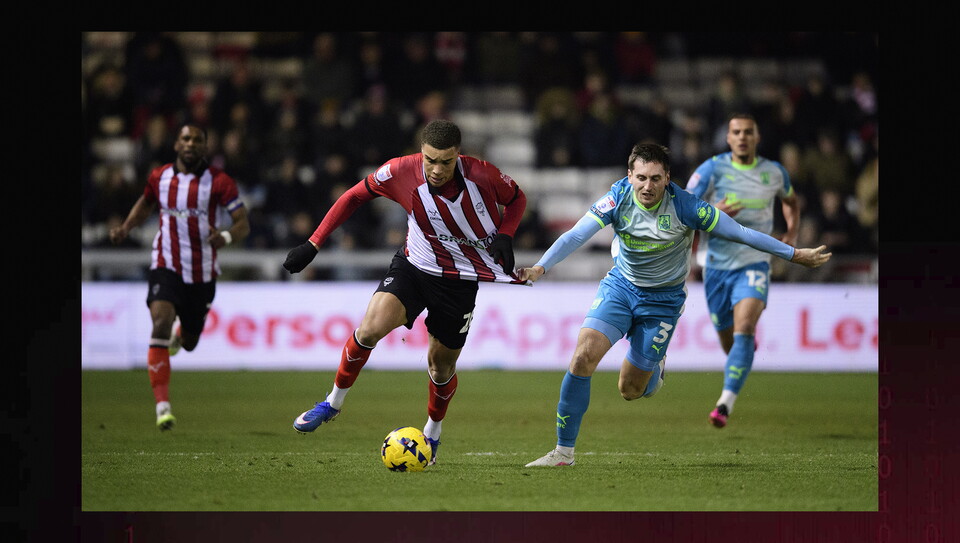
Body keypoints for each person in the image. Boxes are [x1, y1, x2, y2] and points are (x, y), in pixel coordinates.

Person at [520, 142, 830, 467]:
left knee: (630, 389)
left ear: (667, 178)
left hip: (663, 302)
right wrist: (541, 267)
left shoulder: (687, 207)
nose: (647, 186)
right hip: (621, 288)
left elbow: (740, 232)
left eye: (655, 178)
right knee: (582, 357)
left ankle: (656, 366)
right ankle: (563, 453)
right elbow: (575, 235)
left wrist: (794, 254)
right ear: (630, 175)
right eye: (640, 177)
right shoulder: (617, 197)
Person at [282, 119, 528, 465]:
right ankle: (332, 403)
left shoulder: (484, 176)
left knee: (441, 368)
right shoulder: (399, 171)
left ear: (458, 155)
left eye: (446, 161)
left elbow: (517, 199)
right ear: (421, 152)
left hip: (459, 281)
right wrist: (314, 243)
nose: (437, 169)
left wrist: (507, 232)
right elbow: (353, 196)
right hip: (414, 267)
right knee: (369, 329)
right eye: (430, 160)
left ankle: (432, 433)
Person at [109, 124, 250, 430]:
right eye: (185, 138)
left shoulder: (219, 182)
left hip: (201, 273)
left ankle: (179, 334)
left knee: (189, 343)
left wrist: (224, 237)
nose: (191, 144)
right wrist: (126, 227)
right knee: (159, 319)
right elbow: (146, 203)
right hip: (166, 263)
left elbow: (242, 224)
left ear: (205, 147)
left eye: (197, 139)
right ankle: (163, 407)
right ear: (176, 144)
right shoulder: (160, 177)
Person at [686, 113, 801, 429]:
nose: (742, 137)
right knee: (731, 341)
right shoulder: (711, 169)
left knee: (746, 327)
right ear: (728, 138)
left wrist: (791, 233)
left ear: (757, 136)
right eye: (736, 132)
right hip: (716, 268)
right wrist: (713, 213)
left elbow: (790, 201)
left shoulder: (774, 172)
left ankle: (724, 404)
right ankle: (742, 354)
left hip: (754, 263)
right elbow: (682, 207)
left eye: (748, 132)